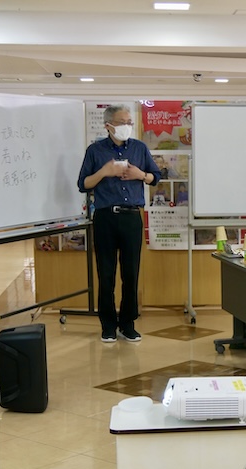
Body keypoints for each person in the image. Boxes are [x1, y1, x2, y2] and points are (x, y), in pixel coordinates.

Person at [77, 105, 161, 343]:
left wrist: (141, 175)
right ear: (108, 125)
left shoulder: (139, 148)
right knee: (106, 273)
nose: (127, 126)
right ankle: (107, 325)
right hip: (105, 217)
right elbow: (83, 184)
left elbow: (156, 177)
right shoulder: (95, 151)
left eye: (129, 122)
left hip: (132, 217)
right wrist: (104, 171)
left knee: (131, 272)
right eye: (122, 122)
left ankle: (127, 323)